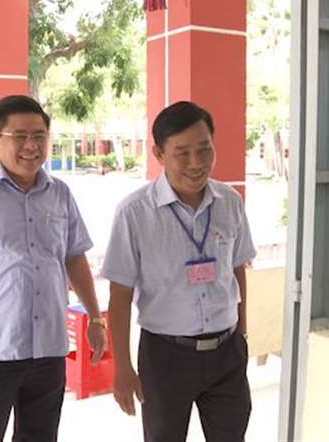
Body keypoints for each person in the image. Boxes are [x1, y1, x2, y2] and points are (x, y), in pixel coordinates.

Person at [102, 101, 256, 442]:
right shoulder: (134, 213)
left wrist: (242, 334)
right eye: (182, 153)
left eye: (204, 149)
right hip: (165, 356)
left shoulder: (229, 201)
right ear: (159, 154)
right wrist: (123, 366)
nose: (196, 163)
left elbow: (237, 269)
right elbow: (120, 294)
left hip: (227, 350)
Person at [0, 95, 106, 442]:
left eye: (39, 136)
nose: (31, 146)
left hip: (48, 348)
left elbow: (74, 256)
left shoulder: (59, 193)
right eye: (20, 136)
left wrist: (95, 318)